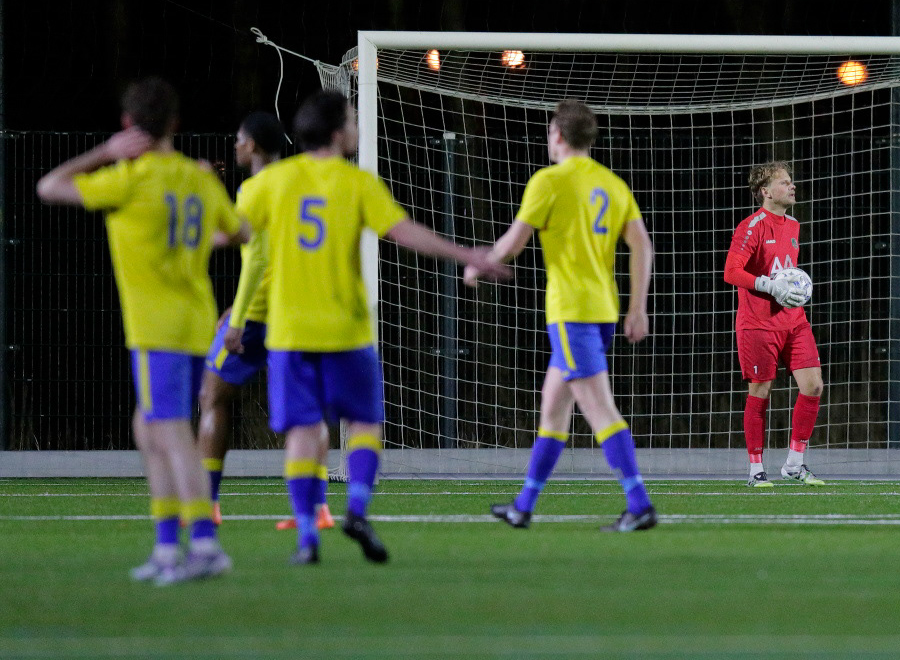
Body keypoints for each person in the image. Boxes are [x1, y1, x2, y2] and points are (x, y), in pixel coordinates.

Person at [234, 90, 510, 565]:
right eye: (354, 118)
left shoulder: (270, 183)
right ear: (340, 132)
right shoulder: (357, 183)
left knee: (302, 431)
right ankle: (356, 509)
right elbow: (406, 234)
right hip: (346, 329)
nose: (358, 125)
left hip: (290, 330)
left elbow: (231, 234)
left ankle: (307, 538)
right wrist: (470, 255)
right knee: (364, 423)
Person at [37, 77, 250, 584]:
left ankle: (203, 544)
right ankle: (165, 550)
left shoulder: (131, 177)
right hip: (196, 320)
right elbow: (240, 232)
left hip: (157, 327)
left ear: (128, 125)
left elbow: (49, 186)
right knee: (146, 425)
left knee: (170, 430)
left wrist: (103, 152)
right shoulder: (198, 177)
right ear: (175, 124)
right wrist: (193, 240)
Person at [479, 99, 657, 532]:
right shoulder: (612, 184)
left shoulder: (549, 182)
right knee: (553, 411)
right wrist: (636, 308)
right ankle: (523, 506)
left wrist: (477, 263)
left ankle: (639, 504)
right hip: (603, 311)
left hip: (571, 314)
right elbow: (643, 245)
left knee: (599, 410)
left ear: (557, 135)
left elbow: (513, 244)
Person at [198, 112, 334, 532]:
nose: (235, 146)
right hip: (296, 308)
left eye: (239, 139)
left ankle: (207, 503)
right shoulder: (301, 183)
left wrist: (237, 317)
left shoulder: (256, 188)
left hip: (256, 313)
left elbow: (252, 253)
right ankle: (318, 507)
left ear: (252, 146)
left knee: (212, 396)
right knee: (308, 411)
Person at [723, 162, 826, 488]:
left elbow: (786, 271)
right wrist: (768, 286)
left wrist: (793, 289)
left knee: (814, 386)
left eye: (791, 181)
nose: (792, 186)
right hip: (758, 323)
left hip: (794, 322)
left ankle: (794, 464)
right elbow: (731, 272)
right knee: (761, 391)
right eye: (784, 183)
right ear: (766, 191)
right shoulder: (751, 226)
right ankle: (755, 469)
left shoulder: (793, 226)